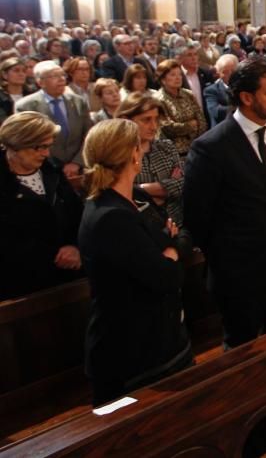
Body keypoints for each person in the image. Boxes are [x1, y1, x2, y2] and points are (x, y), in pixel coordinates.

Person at [183, 57, 266, 349]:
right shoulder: (211, 147)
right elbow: (198, 217)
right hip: (240, 272)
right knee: (242, 351)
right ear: (247, 98)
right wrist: (230, 258)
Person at [78, 118, 192, 406]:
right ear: (132, 154)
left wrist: (169, 249)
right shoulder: (109, 216)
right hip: (130, 349)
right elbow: (166, 275)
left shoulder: (134, 197)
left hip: (159, 338)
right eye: (140, 146)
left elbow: (171, 239)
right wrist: (171, 250)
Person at [0, 111, 83, 300]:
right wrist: (53, 255)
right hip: (20, 284)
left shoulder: (51, 169)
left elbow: (76, 213)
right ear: (15, 145)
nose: (46, 153)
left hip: (68, 277)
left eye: (48, 146)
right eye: (39, 147)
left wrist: (74, 246)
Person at [116, 93, 186, 239]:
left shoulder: (166, 147)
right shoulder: (118, 156)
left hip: (177, 224)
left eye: (156, 119)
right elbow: (121, 196)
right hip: (142, 232)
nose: (154, 126)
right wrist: (164, 190)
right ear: (126, 120)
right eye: (146, 120)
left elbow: (182, 184)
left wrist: (140, 189)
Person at [15, 60, 92, 182]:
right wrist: (54, 165)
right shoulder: (25, 106)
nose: (61, 79)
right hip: (45, 170)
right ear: (40, 82)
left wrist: (77, 163)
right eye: (54, 76)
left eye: (62, 75)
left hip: (79, 169)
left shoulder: (78, 102)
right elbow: (27, 141)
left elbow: (89, 134)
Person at [154, 60, 206, 159]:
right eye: (173, 75)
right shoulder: (158, 100)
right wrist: (190, 126)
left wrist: (196, 138)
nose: (178, 78)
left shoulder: (188, 94)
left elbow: (201, 120)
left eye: (179, 74)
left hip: (196, 147)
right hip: (175, 153)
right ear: (163, 79)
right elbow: (168, 128)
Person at [205, 54, 237, 126]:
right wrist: (240, 109)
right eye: (225, 71)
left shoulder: (244, 87)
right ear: (218, 73)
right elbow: (215, 111)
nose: (230, 74)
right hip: (223, 130)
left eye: (232, 70)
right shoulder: (211, 90)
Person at [0, 57, 29, 123]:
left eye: (24, 71)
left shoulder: (31, 94)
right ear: (5, 75)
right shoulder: (1, 97)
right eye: (16, 71)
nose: (21, 74)